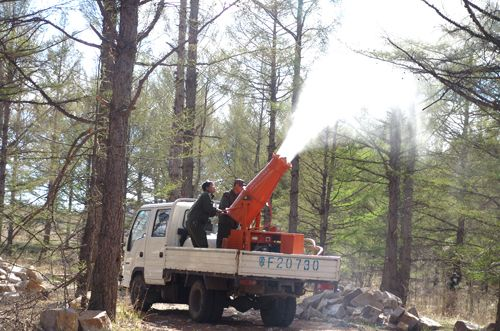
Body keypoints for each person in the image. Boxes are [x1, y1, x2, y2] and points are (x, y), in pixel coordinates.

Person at [186, 180, 221, 248]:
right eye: (212, 186)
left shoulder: (205, 196)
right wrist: (218, 211)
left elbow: (208, 211)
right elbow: (208, 209)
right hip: (196, 223)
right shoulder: (205, 195)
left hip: (192, 223)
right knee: (203, 246)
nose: (214, 187)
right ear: (207, 188)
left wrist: (215, 212)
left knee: (198, 246)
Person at [216, 179, 245, 248]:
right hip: (225, 223)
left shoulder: (239, 197)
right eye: (241, 186)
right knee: (222, 241)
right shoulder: (227, 195)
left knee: (231, 243)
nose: (242, 188)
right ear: (236, 185)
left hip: (233, 224)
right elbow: (224, 208)